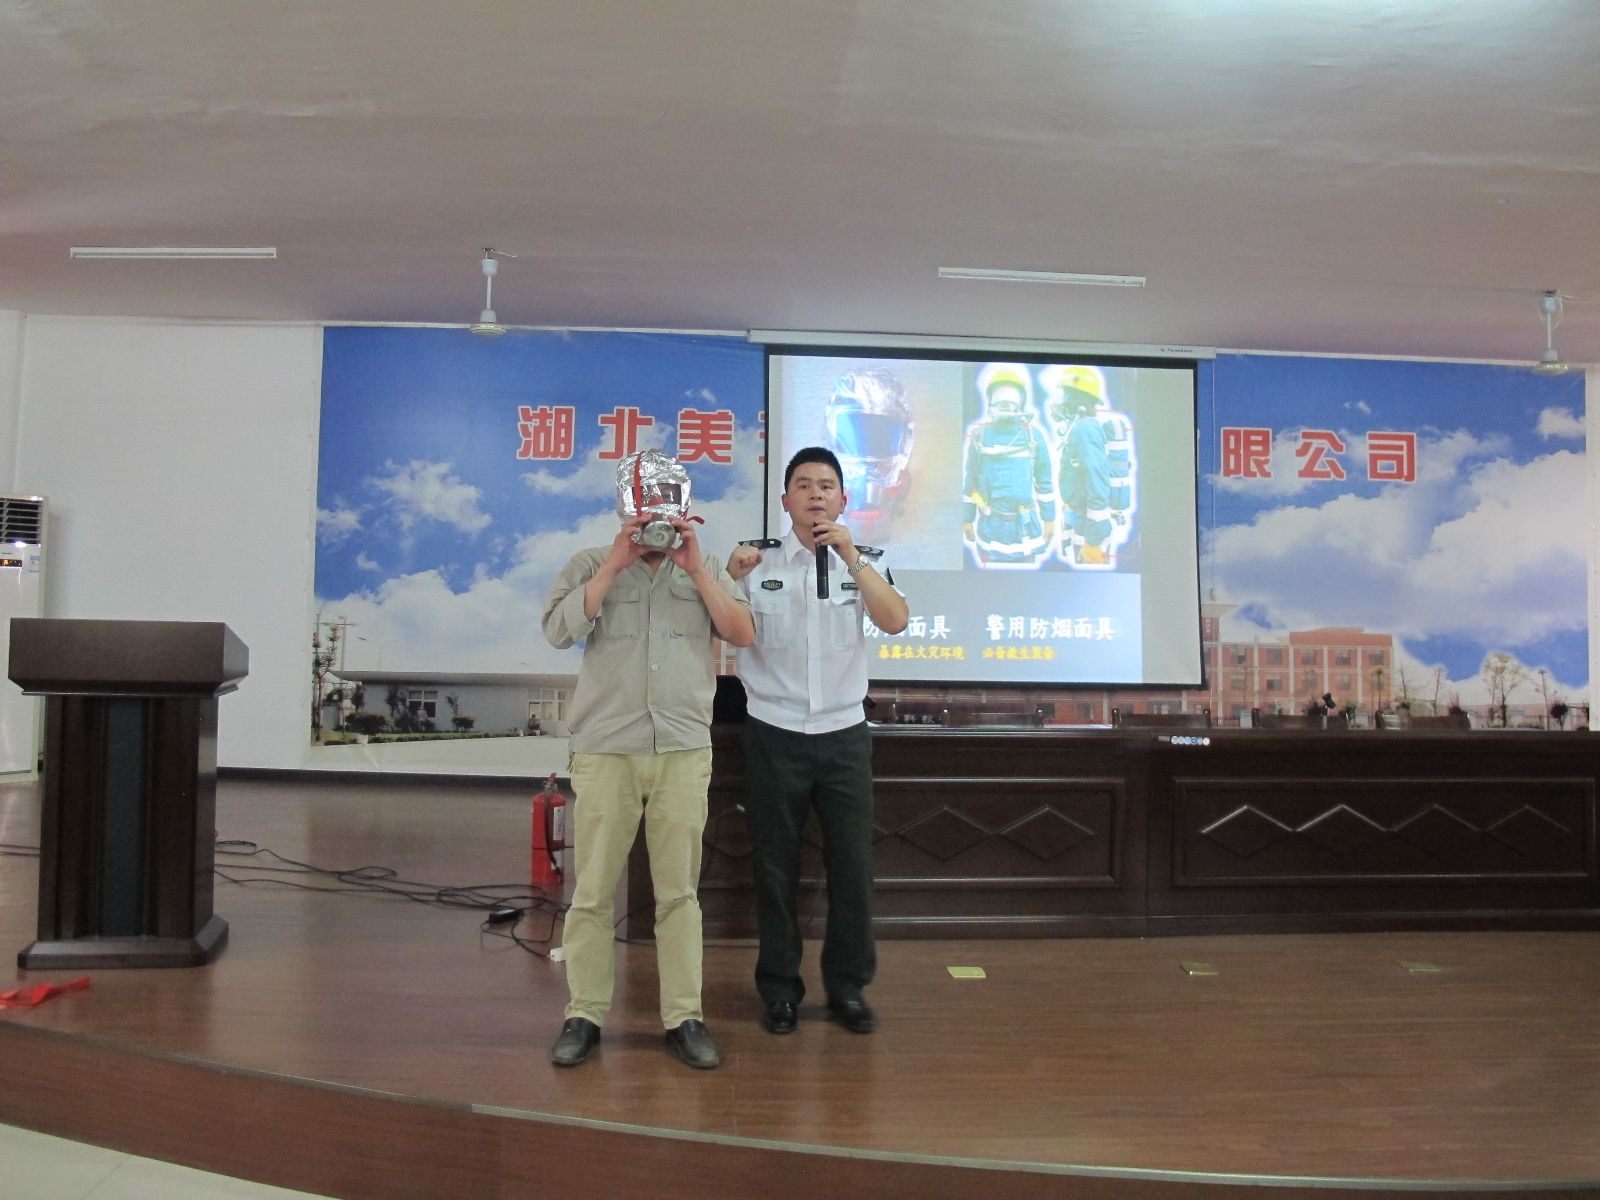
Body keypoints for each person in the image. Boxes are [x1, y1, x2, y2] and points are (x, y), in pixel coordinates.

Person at [542, 450, 755, 1071]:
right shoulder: (590, 563)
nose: (658, 520)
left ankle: (684, 1016)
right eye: (647, 506)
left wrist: (700, 571)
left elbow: (742, 633)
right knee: (592, 892)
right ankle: (583, 1013)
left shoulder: (701, 566)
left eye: (668, 506)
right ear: (625, 509)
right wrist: (615, 564)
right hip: (606, 747)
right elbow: (558, 632)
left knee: (679, 894)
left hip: (683, 749)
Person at [727, 447, 910, 1036]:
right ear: (785, 500)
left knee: (852, 867)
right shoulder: (754, 562)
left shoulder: (866, 560)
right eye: (803, 485)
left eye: (826, 486)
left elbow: (895, 620)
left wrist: (850, 555)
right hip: (773, 731)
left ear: (843, 499)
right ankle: (779, 990)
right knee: (774, 868)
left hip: (842, 736)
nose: (815, 494)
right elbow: (727, 629)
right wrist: (729, 578)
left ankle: (847, 988)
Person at [961, 363, 1055, 566]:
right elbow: (971, 480)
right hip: (990, 530)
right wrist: (967, 518)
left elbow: (1044, 483)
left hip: (1024, 530)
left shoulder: (1033, 437)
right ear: (990, 400)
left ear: (1021, 401)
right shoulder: (979, 436)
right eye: (1000, 395)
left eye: (1011, 396)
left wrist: (1049, 519)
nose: (1005, 401)